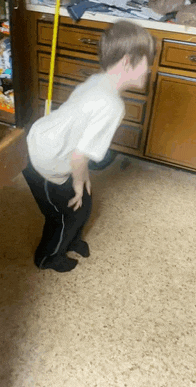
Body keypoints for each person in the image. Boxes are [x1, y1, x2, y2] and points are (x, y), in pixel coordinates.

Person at [23, 20, 155, 272]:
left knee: (84, 204)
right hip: (44, 160)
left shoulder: (98, 80)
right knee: (65, 214)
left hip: (47, 137)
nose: (149, 69)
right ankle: (47, 258)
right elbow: (79, 156)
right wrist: (79, 183)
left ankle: (72, 240)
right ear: (127, 61)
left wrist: (82, 183)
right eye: (147, 62)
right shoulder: (113, 105)